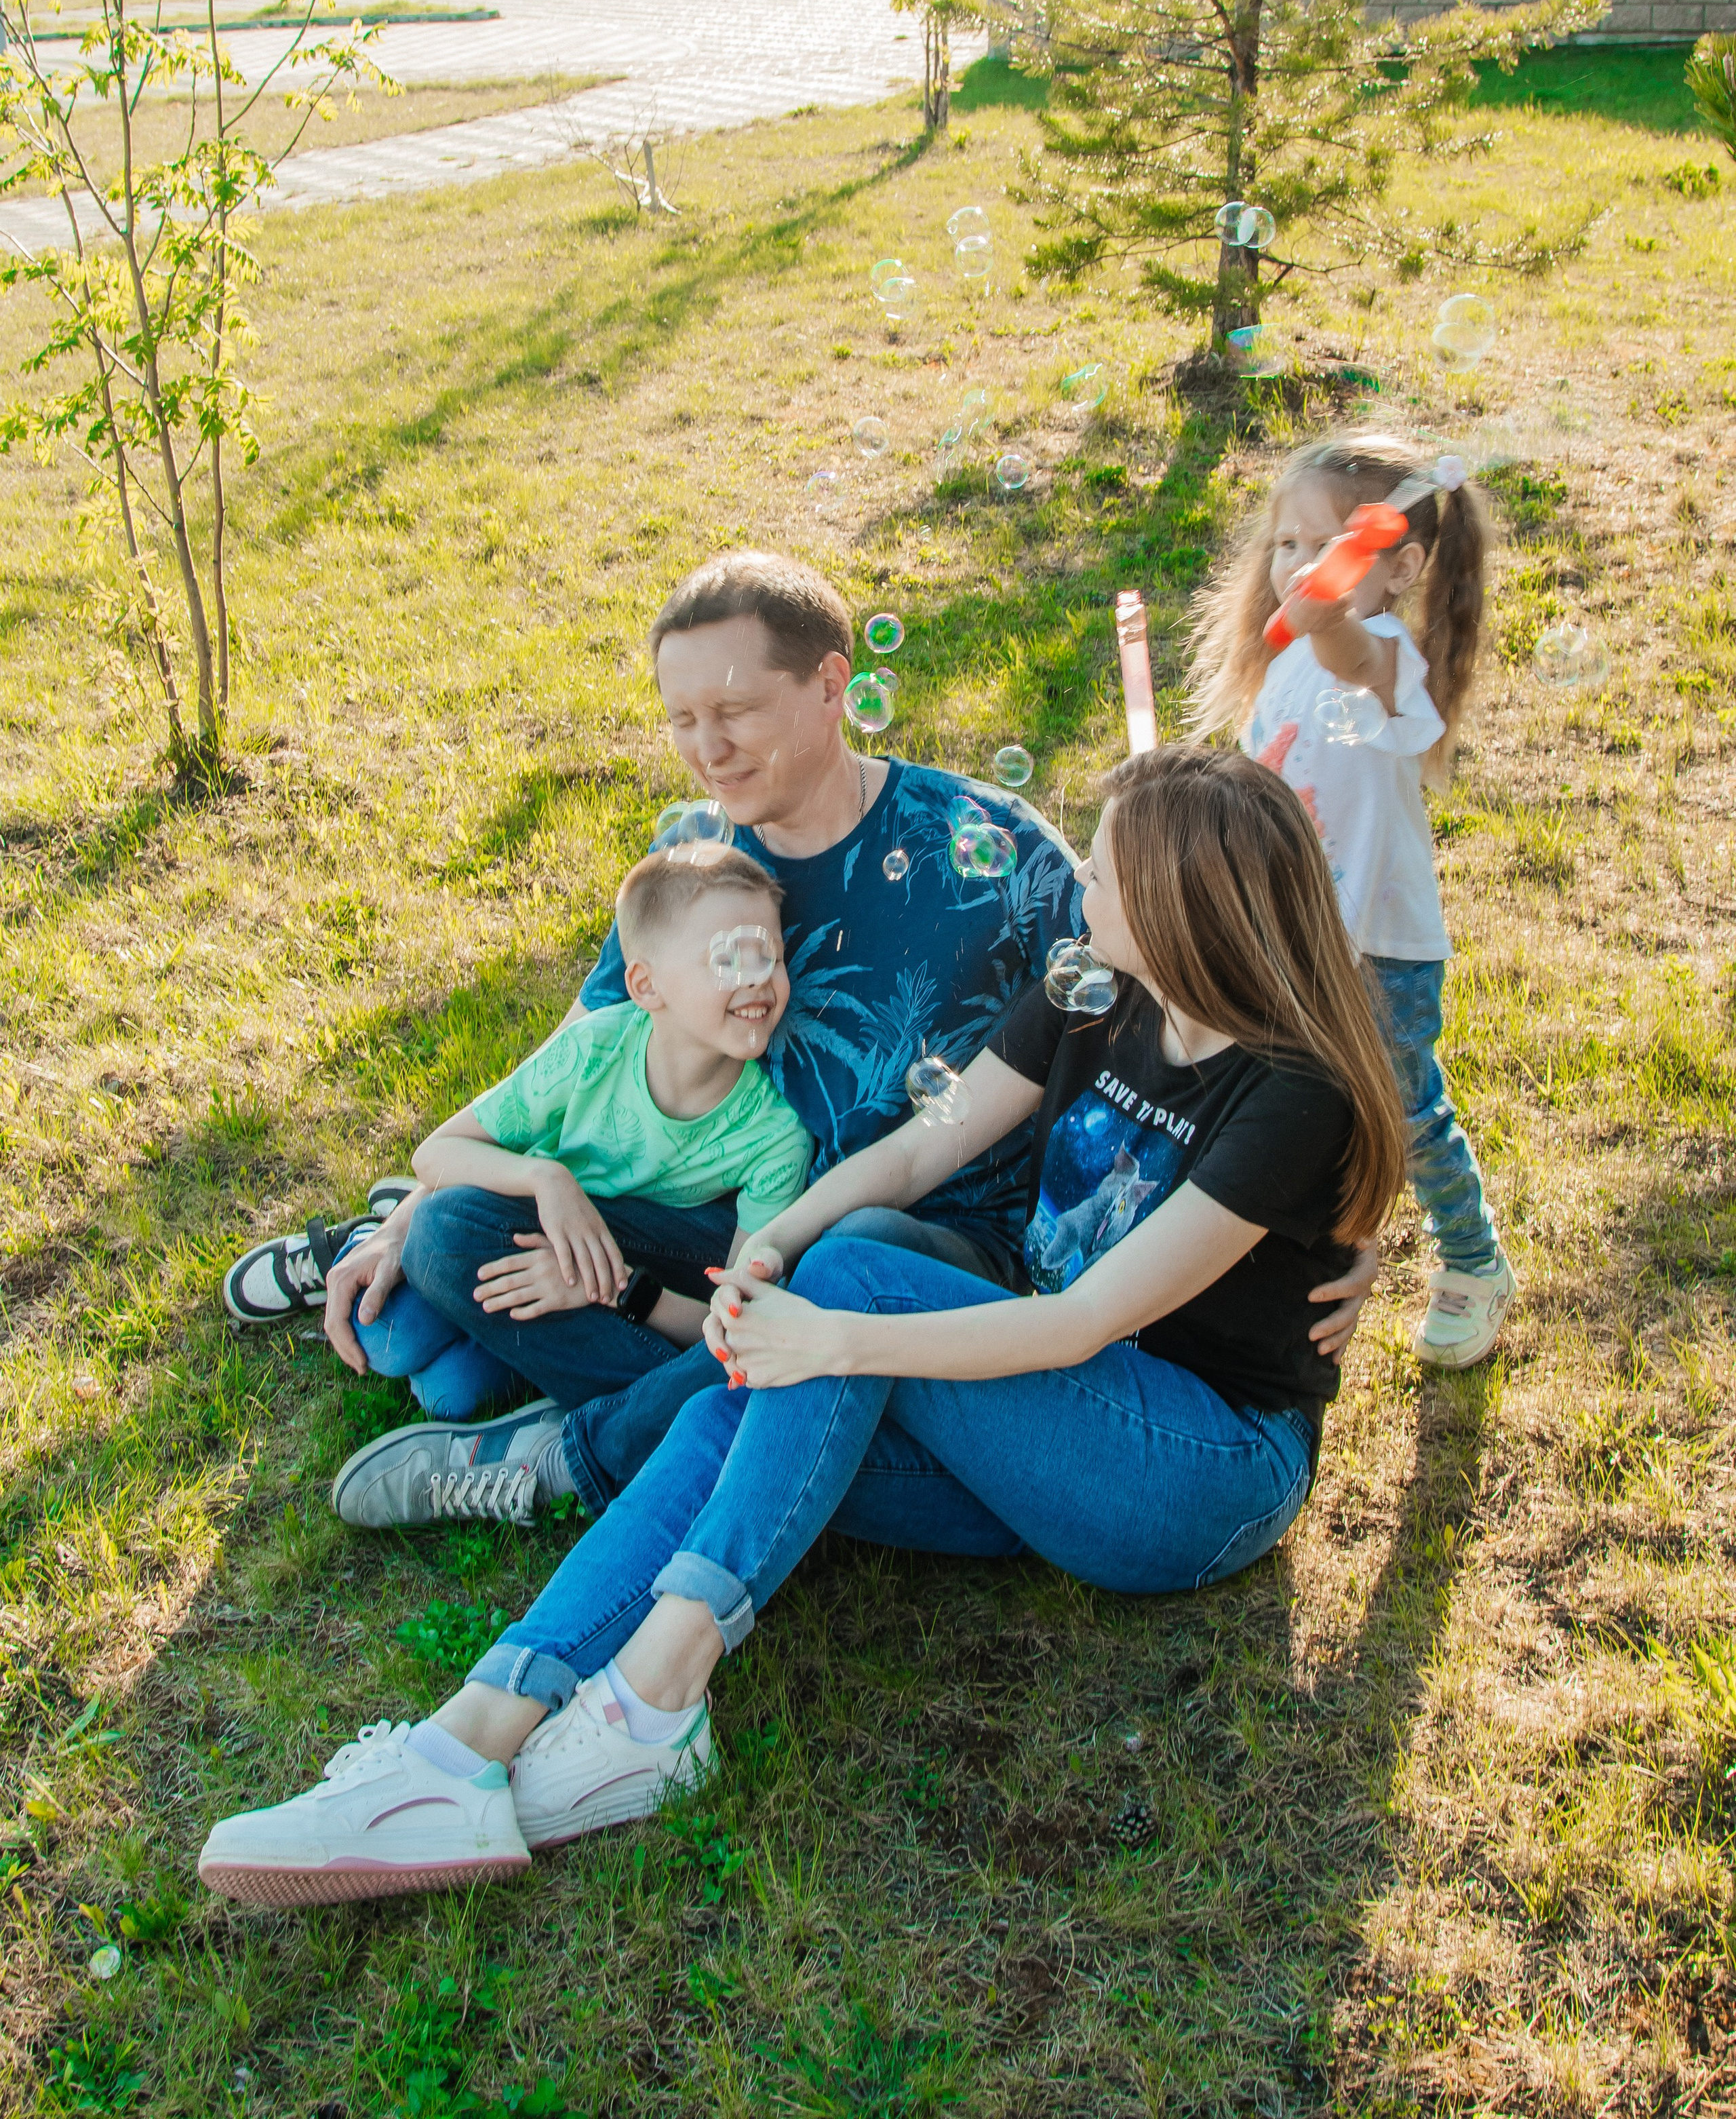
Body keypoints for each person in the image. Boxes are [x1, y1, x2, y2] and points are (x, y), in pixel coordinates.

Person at [195, 747, 1405, 1905]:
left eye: (1103, 871)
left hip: (1195, 1470)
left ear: (1187, 907)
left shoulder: (1289, 1092)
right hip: (1032, 1429)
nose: (1079, 885)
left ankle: (657, 1686)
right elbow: (928, 1144)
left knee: (855, 1295)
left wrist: (834, 1330)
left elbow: (1080, 1324)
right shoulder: (1091, 991)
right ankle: (463, 1748)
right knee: (773, 1367)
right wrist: (772, 1253)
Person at [310, 552, 1103, 1525]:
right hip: (719, 1228)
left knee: (842, 1255)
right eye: (683, 720)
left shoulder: (990, 848)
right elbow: (585, 1041)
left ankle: (571, 1454)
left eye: (734, 712)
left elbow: (1139, 985)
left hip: (908, 1250)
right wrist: (404, 1219)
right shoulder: (699, 851)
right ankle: (763, 1416)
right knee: (452, 1231)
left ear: (830, 687)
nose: (707, 749)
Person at [1188, 432, 1512, 1369]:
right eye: (1285, 545)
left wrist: (1326, 603)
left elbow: (1345, 651)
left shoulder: (1386, 658)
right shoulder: (1283, 669)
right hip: (1291, 943)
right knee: (1295, 1111)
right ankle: (1307, 1263)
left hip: (1381, 950)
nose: (1297, 566)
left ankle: (1473, 1260)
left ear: (1401, 566)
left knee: (1405, 1115)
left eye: (1326, 546)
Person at [326, 844, 812, 1466]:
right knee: (403, 1322)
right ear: (645, 985)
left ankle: (592, 1383)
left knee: (452, 1386)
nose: (756, 978)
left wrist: (614, 1294)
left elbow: (736, 1318)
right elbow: (437, 1151)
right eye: (727, 958)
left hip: (647, 1256)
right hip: (536, 1221)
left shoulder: (776, 1132)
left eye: (768, 954)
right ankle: (656, 1408)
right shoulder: (592, 1052)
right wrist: (545, 1176)